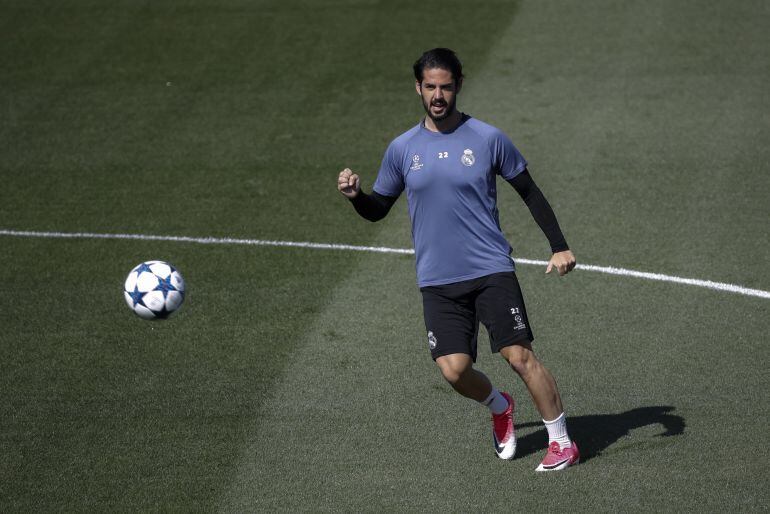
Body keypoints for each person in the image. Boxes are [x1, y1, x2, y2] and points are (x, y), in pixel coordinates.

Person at [336, 48, 579, 471]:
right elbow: (378, 209)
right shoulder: (402, 149)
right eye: (430, 86)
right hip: (437, 279)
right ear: (418, 87)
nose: (438, 95)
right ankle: (500, 406)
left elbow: (529, 191)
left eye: (445, 87)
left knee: (518, 356)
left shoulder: (487, 138)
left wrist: (558, 245)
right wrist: (357, 197)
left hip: (490, 269)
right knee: (454, 370)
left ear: (459, 85)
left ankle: (562, 442)